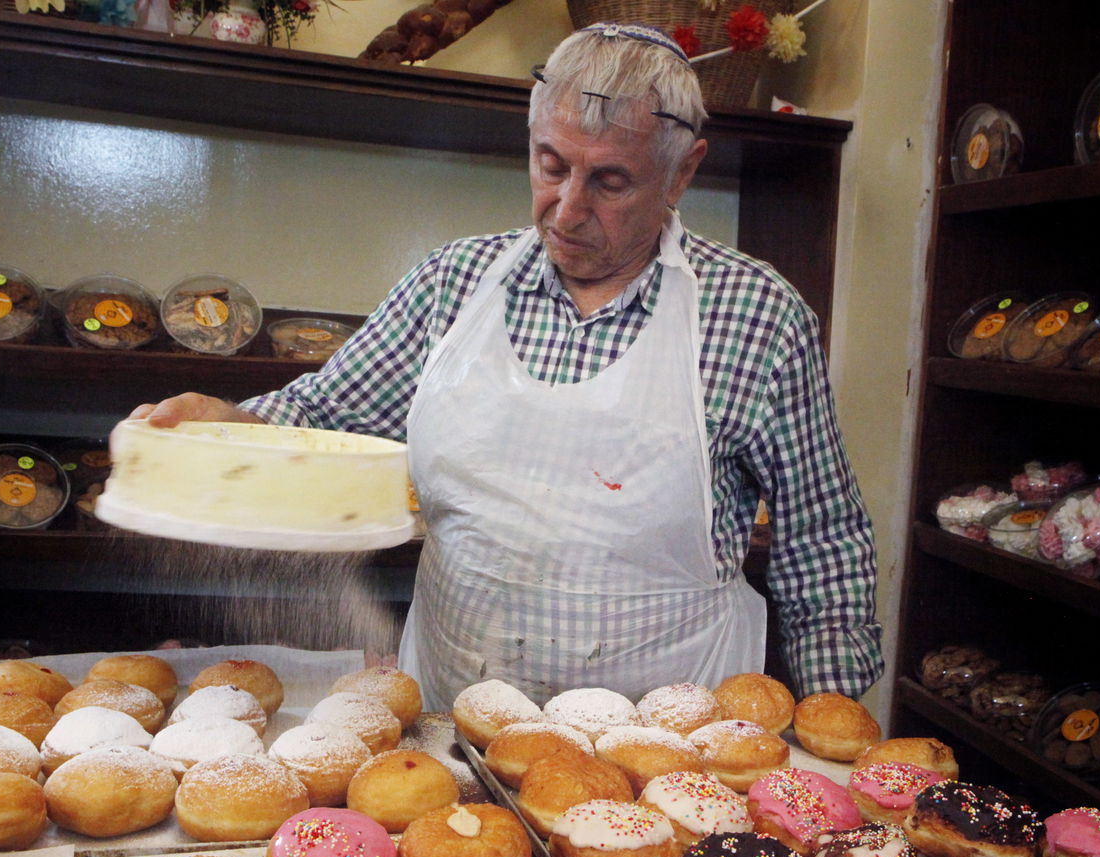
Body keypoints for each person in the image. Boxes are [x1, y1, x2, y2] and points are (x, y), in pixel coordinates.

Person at [130, 23, 882, 711]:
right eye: (550, 166)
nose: (565, 209)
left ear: (682, 172)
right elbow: (328, 415)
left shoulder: (757, 316)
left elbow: (823, 542)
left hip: (671, 747)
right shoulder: (452, 284)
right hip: (458, 718)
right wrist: (231, 427)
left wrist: (835, 722)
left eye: (610, 182)